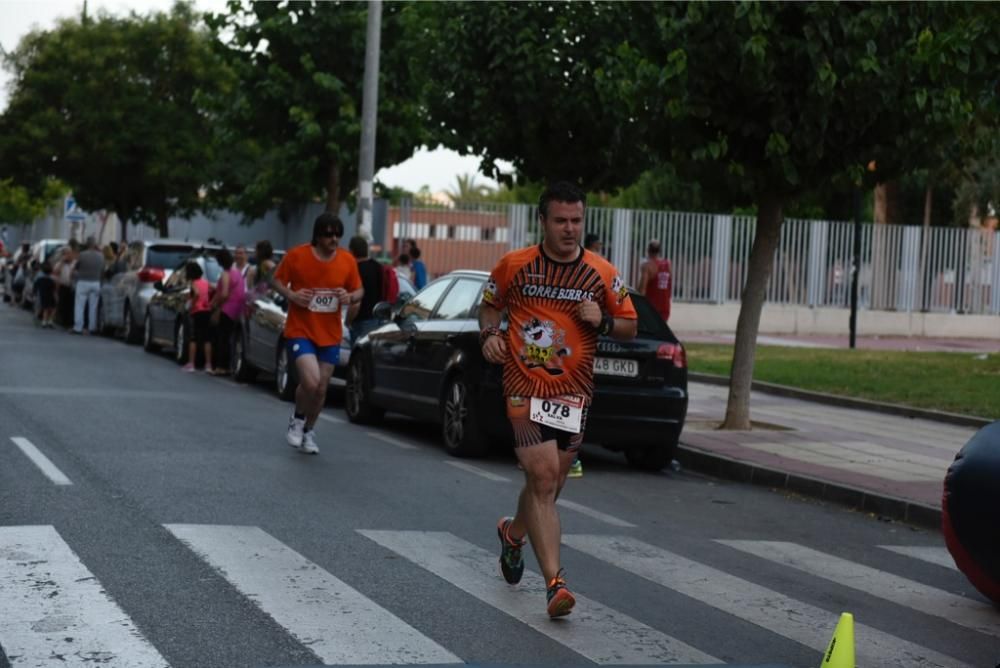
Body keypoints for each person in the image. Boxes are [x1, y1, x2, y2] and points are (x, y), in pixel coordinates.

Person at [480, 181, 637, 618]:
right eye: (561, 221)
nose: (570, 229)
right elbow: (489, 306)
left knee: (550, 485)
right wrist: (490, 335)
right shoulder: (514, 265)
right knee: (544, 479)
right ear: (543, 221)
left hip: (574, 391)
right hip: (523, 384)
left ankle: (513, 535)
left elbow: (629, 325)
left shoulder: (603, 273)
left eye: (577, 221)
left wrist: (603, 320)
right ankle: (555, 584)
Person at [271, 213, 363, 455]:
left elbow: (359, 290)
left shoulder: (347, 260)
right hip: (301, 329)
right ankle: (297, 419)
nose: (334, 239)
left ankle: (309, 431)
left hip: (330, 333)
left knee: (321, 388)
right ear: (317, 236)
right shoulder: (297, 256)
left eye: (337, 234)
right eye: (328, 234)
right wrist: (292, 295)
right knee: (310, 382)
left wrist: (349, 297)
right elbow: (276, 281)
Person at [207, 248, 245, 376]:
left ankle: (220, 367)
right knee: (228, 337)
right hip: (237, 309)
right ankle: (227, 366)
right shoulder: (237, 273)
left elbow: (223, 293)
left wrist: (216, 306)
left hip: (227, 308)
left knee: (221, 337)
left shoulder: (225, 273)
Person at [347, 235, 385, 341]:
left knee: (357, 354)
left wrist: (347, 321)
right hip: (377, 318)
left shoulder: (355, 270)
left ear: (352, 250)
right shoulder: (377, 266)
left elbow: (355, 305)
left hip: (360, 321)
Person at [182, 261, 213, 373]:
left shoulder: (193, 283)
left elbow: (196, 293)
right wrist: (208, 301)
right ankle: (208, 364)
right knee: (207, 338)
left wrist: (192, 304)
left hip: (197, 312)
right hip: (207, 311)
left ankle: (191, 364)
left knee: (193, 337)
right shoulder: (205, 282)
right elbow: (212, 289)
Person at [73, 237, 103, 334]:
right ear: (95, 244)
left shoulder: (82, 255)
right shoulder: (101, 256)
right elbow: (103, 269)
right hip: (96, 282)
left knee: (80, 306)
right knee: (93, 307)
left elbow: (76, 267)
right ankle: (92, 327)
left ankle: (78, 327)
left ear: (87, 244)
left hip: (83, 281)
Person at [639, 239, 672, 322]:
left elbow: (642, 289)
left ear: (648, 251)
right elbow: (669, 284)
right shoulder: (668, 264)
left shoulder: (647, 266)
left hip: (651, 308)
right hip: (665, 307)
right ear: (659, 251)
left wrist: (638, 305)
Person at [33, 261, 57, 328]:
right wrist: (56, 297)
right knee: (53, 308)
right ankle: (50, 321)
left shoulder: (39, 279)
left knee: (45, 309)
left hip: (42, 295)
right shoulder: (51, 280)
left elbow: (35, 287)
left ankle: (44, 322)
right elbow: (54, 290)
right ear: (51, 272)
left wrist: (34, 294)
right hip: (50, 296)